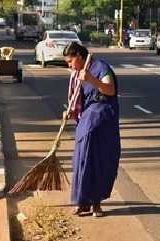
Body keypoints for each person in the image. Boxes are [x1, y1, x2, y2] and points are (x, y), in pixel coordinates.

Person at [63, 42, 121, 217]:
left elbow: (110, 90)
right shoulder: (76, 74)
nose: (69, 65)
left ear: (79, 56)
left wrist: (91, 79)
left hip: (103, 118)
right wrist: (70, 111)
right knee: (82, 160)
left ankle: (96, 203)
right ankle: (82, 202)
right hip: (87, 118)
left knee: (100, 161)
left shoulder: (100, 67)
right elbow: (77, 99)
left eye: (70, 61)